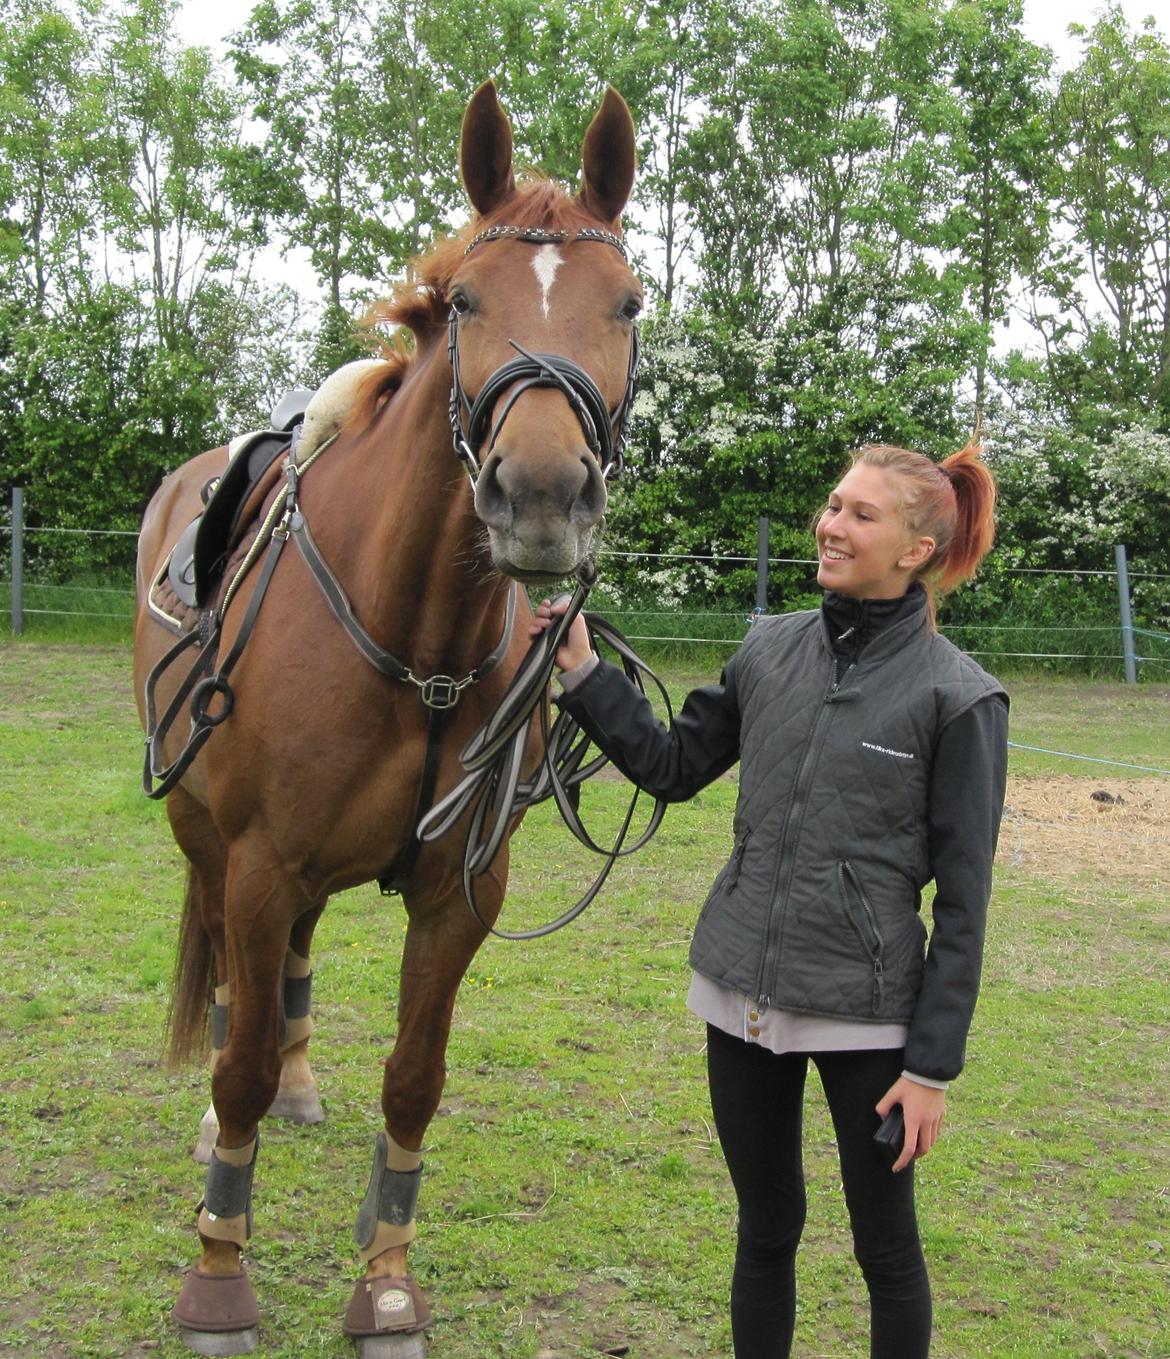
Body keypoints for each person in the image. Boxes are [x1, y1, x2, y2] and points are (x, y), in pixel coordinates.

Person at [531, 441, 1008, 1358]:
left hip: (871, 1022)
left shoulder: (961, 698)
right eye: (834, 505)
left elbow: (966, 906)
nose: (830, 525)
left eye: (861, 515)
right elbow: (671, 767)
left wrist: (931, 1068)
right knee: (766, 1226)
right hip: (739, 991)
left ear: (916, 549)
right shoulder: (767, 649)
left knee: (887, 1251)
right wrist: (586, 671)